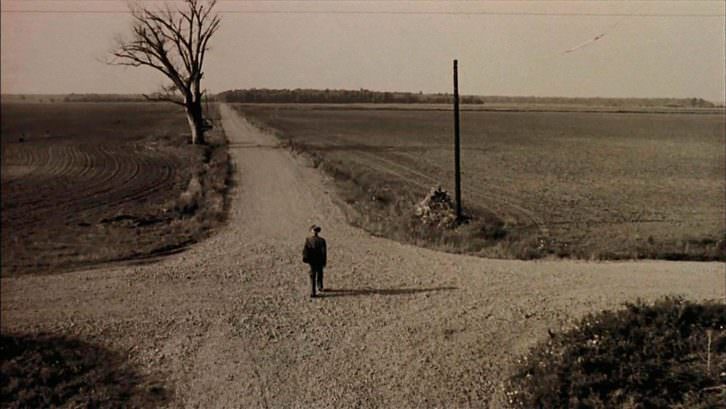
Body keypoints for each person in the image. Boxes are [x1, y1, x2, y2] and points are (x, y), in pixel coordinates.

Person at [303, 225, 327, 298]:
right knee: (319, 273)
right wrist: (324, 261)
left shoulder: (308, 240)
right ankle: (320, 287)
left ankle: (313, 292)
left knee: (313, 275)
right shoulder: (322, 240)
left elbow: (305, 250)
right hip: (319, 259)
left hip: (312, 260)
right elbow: (324, 252)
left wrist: (305, 258)